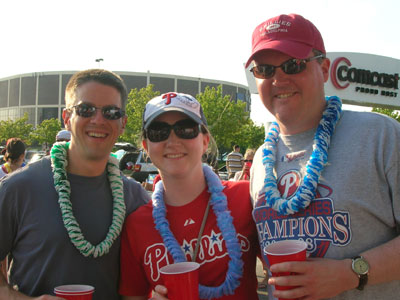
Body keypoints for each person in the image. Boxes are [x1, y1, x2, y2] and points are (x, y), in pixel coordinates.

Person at [246, 13, 400, 300]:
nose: (279, 79)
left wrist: (350, 273)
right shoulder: (260, 161)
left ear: (325, 68)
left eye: (293, 64)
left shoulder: (381, 135)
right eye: (265, 69)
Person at [0, 69, 150, 300]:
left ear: (122, 123)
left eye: (111, 112)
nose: (98, 120)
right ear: (67, 118)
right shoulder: (18, 188)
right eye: (86, 109)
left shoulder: (135, 198)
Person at [119, 92, 259, 299]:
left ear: (204, 141)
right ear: (146, 146)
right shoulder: (136, 224)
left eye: (186, 129)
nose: (173, 140)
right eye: (159, 132)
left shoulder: (245, 197)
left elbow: (283, 275)